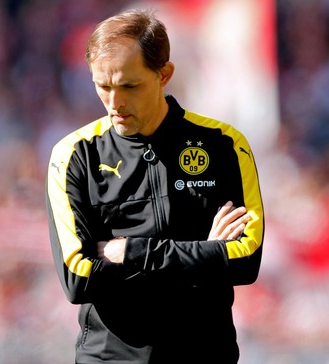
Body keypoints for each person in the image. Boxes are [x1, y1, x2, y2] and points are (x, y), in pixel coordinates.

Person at [45, 9, 264, 364]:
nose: (114, 102)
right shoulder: (73, 155)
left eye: (129, 86)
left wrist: (130, 251)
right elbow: (78, 279)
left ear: (164, 74)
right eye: (103, 86)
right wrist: (204, 256)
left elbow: (246, 261)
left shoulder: (225, 144)